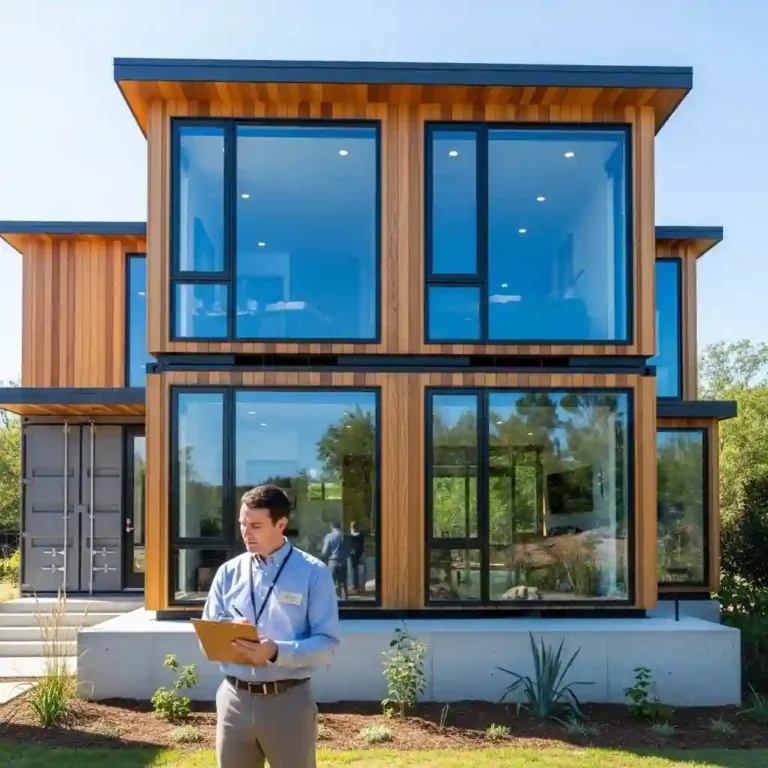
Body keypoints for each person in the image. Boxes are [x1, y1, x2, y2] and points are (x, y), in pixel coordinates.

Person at [202, 484, 341, 768]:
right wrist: (229, 631)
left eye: (256, 525)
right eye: (242, 524)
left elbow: (327, 644)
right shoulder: (228, 572)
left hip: (288, 702)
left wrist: (276, 651)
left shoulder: (313, 573)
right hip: (233, 700)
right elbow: (208, 633)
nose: (246, 532)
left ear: (281, 524)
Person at [320, 521, 347, 600]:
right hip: (343, 561)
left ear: (331, 526)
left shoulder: (329, 536)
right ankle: (345, 599)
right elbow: (349, 549)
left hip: (333, 561)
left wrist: (322, 558)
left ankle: (335, 600)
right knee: (343, 582)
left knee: (332, 582)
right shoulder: (344, 536)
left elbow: (325, 552)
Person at [347, 521, 365, 593]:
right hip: (356, 554)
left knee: (355, 570)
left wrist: (353, 550)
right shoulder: (358, 535)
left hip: (357, 554)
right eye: (352, 526)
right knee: (355, 570)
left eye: (353, 526)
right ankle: (356, 585)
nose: (352, 528)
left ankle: (356, 585)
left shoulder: (357, 535)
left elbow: (359, 545)